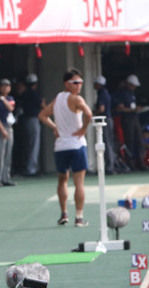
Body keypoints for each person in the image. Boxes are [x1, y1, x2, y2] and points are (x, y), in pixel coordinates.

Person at [38, 68, 93, 227]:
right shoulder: (76, 99)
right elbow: (89, 114)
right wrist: (83, 129)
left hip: (61, 145)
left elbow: (42, 115)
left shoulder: (58, 99)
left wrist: (55, 127)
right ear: (66, 84)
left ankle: (64, 214)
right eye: (75, 83)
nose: (79, 86)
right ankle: (79, 216)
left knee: (62, 180)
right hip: (76, 144)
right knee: (79, 182)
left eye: (80, 82)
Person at [115, 74, 148, 170]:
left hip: (135, 118)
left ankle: (140, 162)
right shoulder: (122, 93)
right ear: (128, 84)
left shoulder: (132, 94)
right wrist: (132, 110)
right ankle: (130, 163)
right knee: (129, 141)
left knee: (139, 140)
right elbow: (120, 108)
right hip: (127, 119)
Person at [0, 78, 17, 187]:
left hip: (9, 127)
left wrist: (2, 98)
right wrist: (2, 129)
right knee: (0, 154)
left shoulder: (9, 98)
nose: (6, 87)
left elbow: (11, 108)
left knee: (8, 154)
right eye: (3, 86)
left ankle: (6, 178)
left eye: (8, 85)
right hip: (1, 128)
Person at [21, 74, 45, 176]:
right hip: (33, 119)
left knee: (29, 144)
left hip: (25, 119)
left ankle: (29, 167)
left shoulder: (24, 94)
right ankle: (31, 169)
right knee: (34, 144)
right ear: (35, 84)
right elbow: (43, 105)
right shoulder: (34, 94)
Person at [93, 75, 116, 175]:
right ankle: (110, 165)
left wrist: (93, 112)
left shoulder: (102, 93)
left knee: (107, 143)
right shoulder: (105, 92)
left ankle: (110, 167)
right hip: (109, 119)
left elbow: (101, 109)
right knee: (109, 142)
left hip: (105, 120)